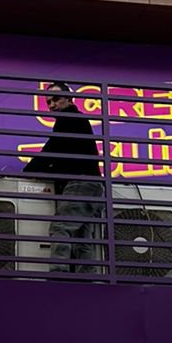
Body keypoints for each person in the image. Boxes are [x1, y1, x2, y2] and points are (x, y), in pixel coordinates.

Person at [24, 82, 104, 274]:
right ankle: (87, 278)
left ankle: (59, 274)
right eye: (48, 102)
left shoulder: (67, 120)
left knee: (60, 228)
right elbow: (60, 153)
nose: (52, 105)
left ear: (69, 99)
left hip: (80, 183)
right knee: (82, 237)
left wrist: (28, 171)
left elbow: (52, 151)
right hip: (92, 185)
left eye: (56, 99)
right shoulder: (77, 121)